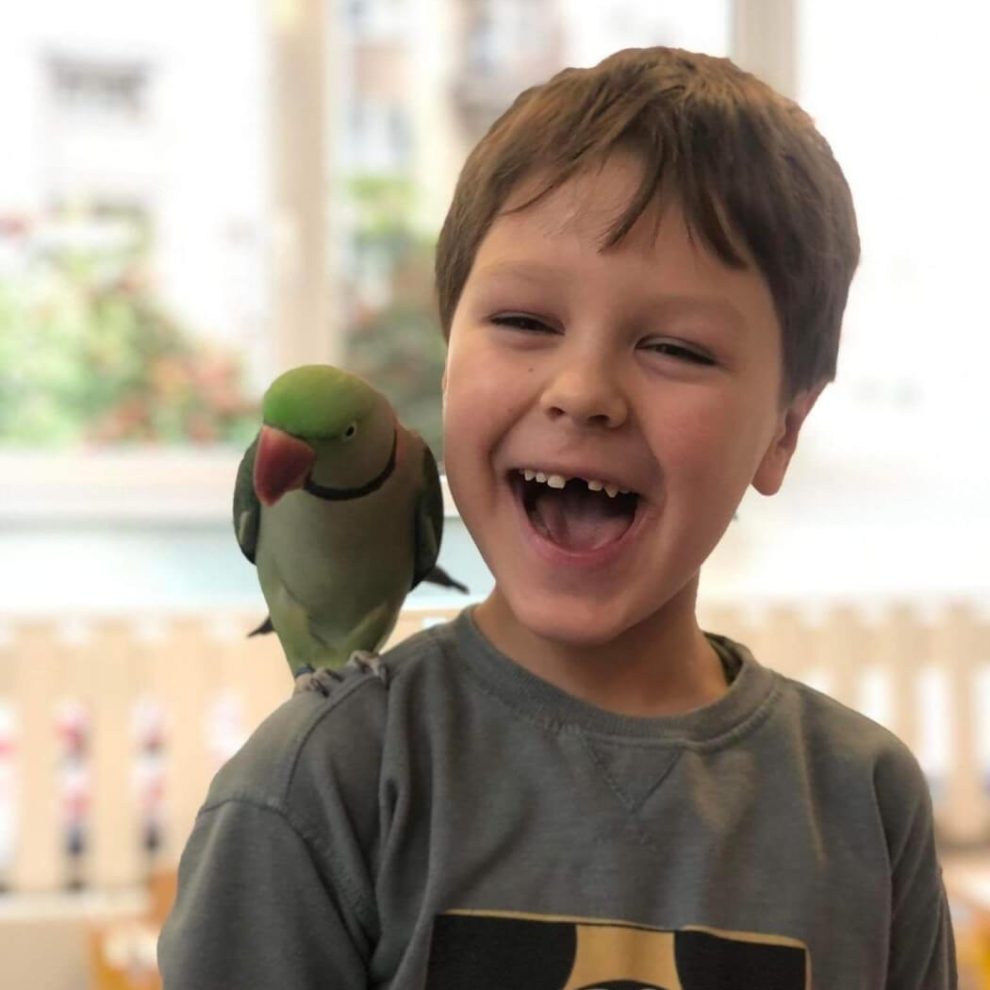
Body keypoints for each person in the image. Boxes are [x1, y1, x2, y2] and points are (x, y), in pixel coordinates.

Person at [158, 47, 957, 988]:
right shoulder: (318, 787)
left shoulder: (866, 803)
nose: (582, 393)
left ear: (783, 432)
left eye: (676, 347)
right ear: (446, 363)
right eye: (526, 323)